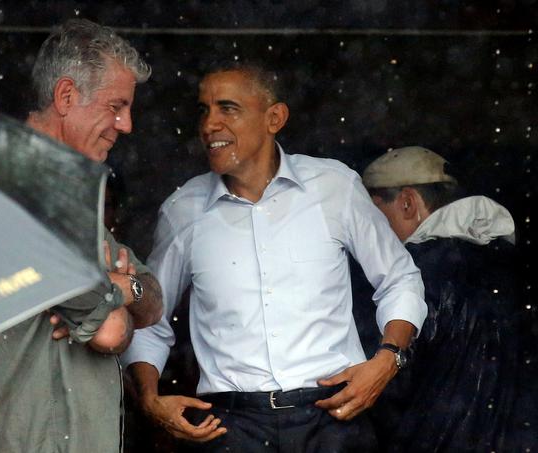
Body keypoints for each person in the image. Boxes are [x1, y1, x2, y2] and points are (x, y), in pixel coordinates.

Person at [121, 62, 428, 452]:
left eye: (227, 108)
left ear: (274, 118)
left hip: (332, 418)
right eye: (204, 110)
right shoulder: (184, 210)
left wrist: (388, 360)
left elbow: (400, 278)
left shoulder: (333, 186)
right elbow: (149, 317)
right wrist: (149, 399)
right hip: (230, 427)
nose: (209, 124)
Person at [0, 19, 163, 453]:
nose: (127, 124)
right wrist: (125, 298)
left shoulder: (63, 192)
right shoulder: (21, 189)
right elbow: (113, 332)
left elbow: (154, 300)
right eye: (116, 106)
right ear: (65, 96)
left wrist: (125, 288)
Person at [360, 146, 537, 451]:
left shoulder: (411, 277)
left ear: (406, 203)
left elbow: (383, 390)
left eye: (375, 214)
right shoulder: (517, 265)